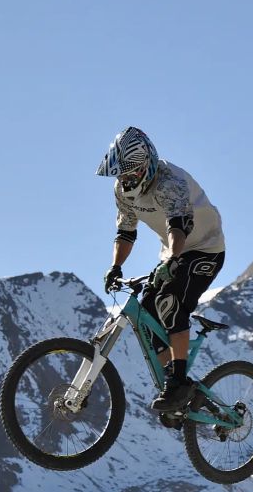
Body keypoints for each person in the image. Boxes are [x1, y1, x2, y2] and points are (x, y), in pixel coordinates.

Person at [96, 127, 226, 412]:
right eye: (121, 174)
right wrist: (115, 267)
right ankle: (174, 387)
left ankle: (178, 382)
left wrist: (169, 262)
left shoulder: (170, 182)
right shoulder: (122, 190)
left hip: (205, 248)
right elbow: (126, 232)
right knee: (146, 315)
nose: (125, 179)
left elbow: (177, 228)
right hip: (173, 252)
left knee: (171, 304)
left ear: (147, 166)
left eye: (130, 173)